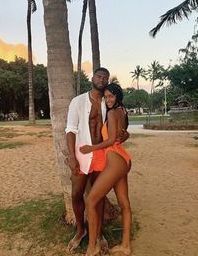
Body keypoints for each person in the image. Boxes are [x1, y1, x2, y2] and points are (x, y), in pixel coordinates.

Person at [65, 68, 128, 253]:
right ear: (92, 78)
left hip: (101, 155)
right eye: (99, 76)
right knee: (77, 194)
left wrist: (124, 135)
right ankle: (80, 231)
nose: (102, 80)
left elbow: (118, 128)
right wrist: (71, 156)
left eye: (105, 78)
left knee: (98, 196)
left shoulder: (108, 103)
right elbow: (70, 129)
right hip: (82, 153)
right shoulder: (78, 101)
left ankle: (98, 233)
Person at [80, 83, 132, 256]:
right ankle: (125, 246)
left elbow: (110, 141)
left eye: (112, 96)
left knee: (91, 201)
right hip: (123, 159)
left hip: (115, 160)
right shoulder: (122, 111)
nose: (108, 99)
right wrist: (126, 135)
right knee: (124, 205)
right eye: (106, 96)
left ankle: (92, 247)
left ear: (118, 96)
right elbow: (122, 134)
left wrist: (91, 148)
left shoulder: (111, 113)